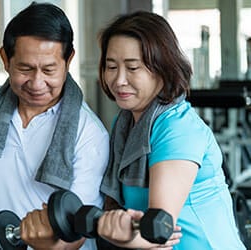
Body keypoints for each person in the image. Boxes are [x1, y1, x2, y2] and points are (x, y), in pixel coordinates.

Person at [0, 2, 109, 250]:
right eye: (25, 68)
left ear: (68, 59)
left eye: (49, 70)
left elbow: (77, 234)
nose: (37, 82)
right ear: (5, 59)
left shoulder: (89, 133)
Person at [96, 11, 246, 249]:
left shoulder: (178, 127)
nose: (119, 80)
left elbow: (158, 231)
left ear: (162, 69)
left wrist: (112, 231)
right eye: (111, 66)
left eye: (133, 68)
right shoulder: (123, 124)